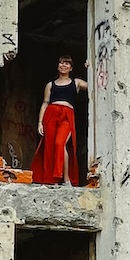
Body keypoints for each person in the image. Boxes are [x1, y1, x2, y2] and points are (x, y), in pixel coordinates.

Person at [31, 56, 88, 185]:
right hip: (51, 114)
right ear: (58, 66)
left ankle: (66, 179)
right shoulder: (50, 85)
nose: (63, 65)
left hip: (67, 115)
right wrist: (40, 122)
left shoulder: (76, 83)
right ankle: (54, 180)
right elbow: (45, 103)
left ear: (71, 68)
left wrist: (89, 68)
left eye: (67, 63)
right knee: (50, 147)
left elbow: (95, 87)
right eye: (61, 63)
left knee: (59, 144)